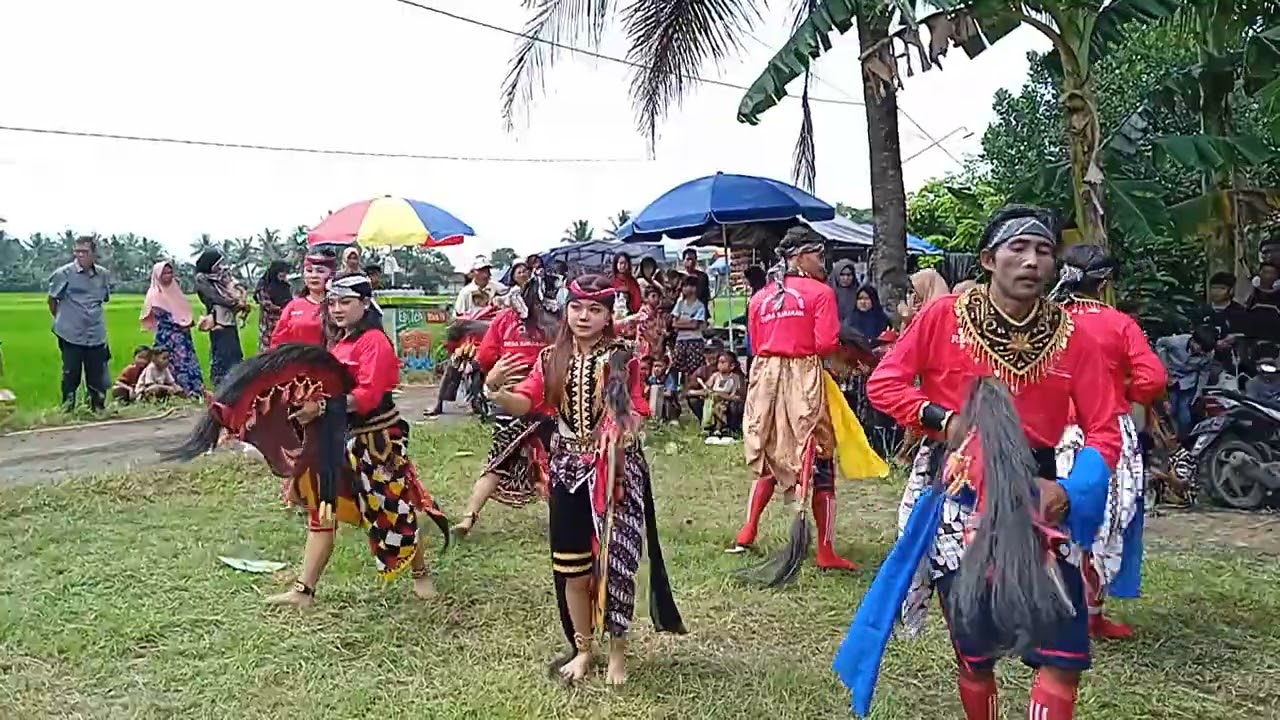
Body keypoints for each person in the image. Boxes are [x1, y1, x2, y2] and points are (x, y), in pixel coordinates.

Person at [839, 205, 1123, 720]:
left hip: (1040, 495)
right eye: (1018, 248)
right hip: (960, 490)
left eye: (1042, 250)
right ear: (989, 260)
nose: (1032, 261)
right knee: (975, 655)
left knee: (1063, 655)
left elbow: (1105, 428)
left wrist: (1073, 492)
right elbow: (885, 384)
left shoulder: (1074, 336)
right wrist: (943, 419)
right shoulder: (943, 317)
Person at [165, 272, 450, 606]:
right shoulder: (340, 342)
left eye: (346, 302)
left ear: (364, 303)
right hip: (334, 435)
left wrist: (323, 406)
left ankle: (421, 574)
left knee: (392, 509)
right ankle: (304, 591)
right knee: (322, 511)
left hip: (375, 438)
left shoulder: (374, 341)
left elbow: (367, 396)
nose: (338, 309)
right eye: (334, 302)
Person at [483, 274, 686, 685]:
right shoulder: (550, 359)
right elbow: (528, 400)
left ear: (609, 315)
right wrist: (495, 391)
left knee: (614, 564)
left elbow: (635, 408)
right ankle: (582, 648)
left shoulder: (620, 358)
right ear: (566, 310)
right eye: (577, 308)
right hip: (567, 471)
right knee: (571, 566)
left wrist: (622, 429)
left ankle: (617, 655)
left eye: (595, 309)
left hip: (615, 471)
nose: (584, 316)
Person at [728, 229, 887, 573]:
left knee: (773, 450)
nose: (823, 263)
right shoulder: (820, 293)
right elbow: (827, 342)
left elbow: (755, 344)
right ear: (799, 256)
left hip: (765, 378)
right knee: (817, 453)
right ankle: (825, 550)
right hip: (804, 378)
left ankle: (747, 531)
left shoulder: (759, 298)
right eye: (818, 255)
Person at [1048, 244, 1168, 640]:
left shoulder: (1044, 319)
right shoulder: (1119, 324)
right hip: (1104, 432)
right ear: (1102, 283)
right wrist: (1119, 387)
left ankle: (1048, 609)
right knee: (1104, 521)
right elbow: (1153, 379)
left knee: (1049, 516)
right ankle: (1092, 615)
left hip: (1046, 430)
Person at [452, 276, 556, 536]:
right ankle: (563, 519)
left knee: (497, 461)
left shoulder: (505, 319)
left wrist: (496, 374)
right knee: (554, 464)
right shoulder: (556, 322)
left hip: (511, 399)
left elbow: (485, 357)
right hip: (545, 403)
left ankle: (468, 517)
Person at [48, 235, 111, 411]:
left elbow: (103, 299)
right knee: (71, 373)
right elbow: (52, 300)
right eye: (77, 252)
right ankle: (68, 409)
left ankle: (97, 409)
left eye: (85, 252)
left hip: (96, 333)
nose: (80, 255)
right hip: (71, 332)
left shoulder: (103, 275)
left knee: (97, 374)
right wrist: (63, 320)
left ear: (94, 254)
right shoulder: (63, 274)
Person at [140, 260, 204, 397]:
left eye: (170, 272)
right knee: (168, 363)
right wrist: (183, 323)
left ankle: (193, 392)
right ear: (157, 275)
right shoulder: (155, 295)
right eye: (164, 273)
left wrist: (188, 322)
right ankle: (174, 393)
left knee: (187, 363)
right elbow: (164, 317)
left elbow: (182, 311)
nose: (168, 276)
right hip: (168, 337)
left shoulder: (176, 291)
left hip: (183, 337)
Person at [194, 249, 248, 388]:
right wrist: (235, 303)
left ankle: (235, 380)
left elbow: (235, 287)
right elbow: (214, 297)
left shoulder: (221, 276)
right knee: (222, 351)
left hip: (228, 318)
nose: (219, 266)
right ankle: (220, 382)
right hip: (217, 318)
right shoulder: (202, 278)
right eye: (217, 263)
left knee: (234, 350)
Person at [1155, 325, 1219, 437]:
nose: (1202, 353)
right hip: (1170, 378)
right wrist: (1164, 366)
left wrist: (1198, 393)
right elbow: (1160, 343)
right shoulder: (1177, 341)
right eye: (1201, 348)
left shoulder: (1208, 354)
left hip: (1188, 383)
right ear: (1194, 341)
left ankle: (1184, 440)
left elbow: (1204, 373)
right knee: (1170, 411)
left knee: (1185, 417)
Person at [271, 251, 335, 348]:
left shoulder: (337, 306)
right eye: (309, 271)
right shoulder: (293, 306)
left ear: (331, 275)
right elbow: (277, 341)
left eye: (320, 271)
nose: (314, 276)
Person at [1201, 271, 1250, 366]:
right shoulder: (1203, 311)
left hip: (1232, 360)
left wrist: (1234, 339)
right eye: (1214, 288)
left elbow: (1245, 335)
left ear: (1231, 290)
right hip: (1204, 359)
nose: (1216, 292)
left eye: (1222, 289)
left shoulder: (1240, 312)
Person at [670, 275, 708, 380]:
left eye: (688, 286)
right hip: (681, 340)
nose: (685, 289)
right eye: (684, 286)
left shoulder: (700, 306)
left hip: (695, 340)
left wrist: (681, 323)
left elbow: (695, 325)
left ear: (694, 288)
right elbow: (674, 323)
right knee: (676, 366)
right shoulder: (680, 303)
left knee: (694, 368)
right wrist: (688, 322)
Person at [702, 351, 743, 443]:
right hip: (714, 399)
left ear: (732, 366)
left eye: (723, 362)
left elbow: (734, 393)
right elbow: (708, 386)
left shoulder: (735, 378)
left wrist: (727, 397)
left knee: (721, 407)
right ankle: (713, 428)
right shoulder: (715, 376)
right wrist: (707, 387)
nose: (720, 365)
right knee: (714, 405)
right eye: (719, 362)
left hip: (726, 399)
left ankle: (722, 428)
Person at [255, 261, 292, 353]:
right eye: (282, 272)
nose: (284, 274)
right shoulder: (263, 285)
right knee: (268, 345)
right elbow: (266, 303)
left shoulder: (285, 284)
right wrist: (283, 310)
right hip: (269, 320)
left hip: (284, 319)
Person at [646, 355, 680, 422]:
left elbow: (670, 393)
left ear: (666, 366)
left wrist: (655, 392)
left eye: (660, 366)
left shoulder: (670, 378)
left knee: (667, 400)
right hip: (656, 404)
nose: (657, 369)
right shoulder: (652, 379)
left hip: (670, 406)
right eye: (655, 366)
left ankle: (671, 420)